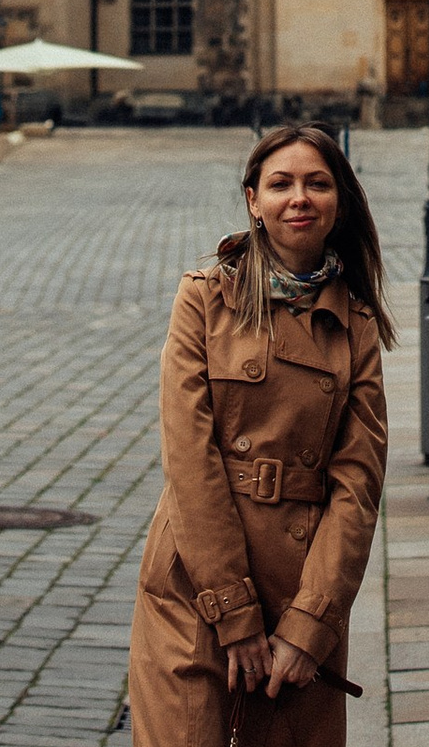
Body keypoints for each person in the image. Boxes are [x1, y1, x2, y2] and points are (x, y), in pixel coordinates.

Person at [127, 123, 394, 745]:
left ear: (339, 202)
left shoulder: (355, 324)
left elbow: (358, 484)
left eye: (317, 183)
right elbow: (189, 461)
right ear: (253, 200)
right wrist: (233, 610)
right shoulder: (204, 299)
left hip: (302, 585)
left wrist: (311, 624)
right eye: (280, 184)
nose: (299, 198)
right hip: (194, 582)